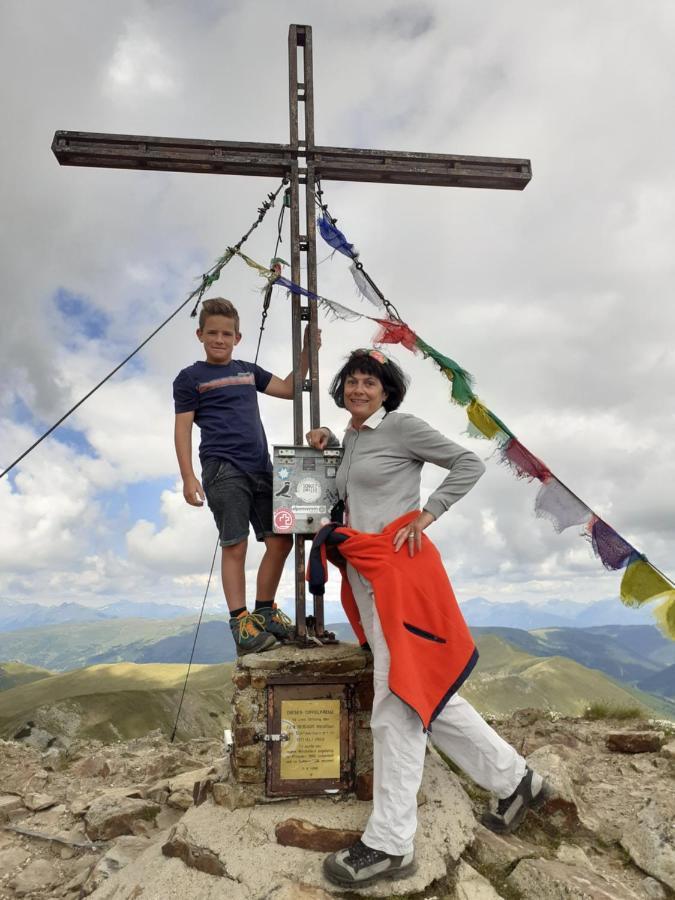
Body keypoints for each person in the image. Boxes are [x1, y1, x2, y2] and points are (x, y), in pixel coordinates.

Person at [306, 348, 549, 890]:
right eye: (352, 381)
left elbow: (470, 462)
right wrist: (324, 441)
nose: (359, 388)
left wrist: (427, 513)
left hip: (403, 576)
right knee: (428, 693)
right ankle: (518, 780)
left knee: (398, 703)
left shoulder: (402, 427)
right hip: (369, 580)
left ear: (387, 391)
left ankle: (390, 844)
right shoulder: (354, 439)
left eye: (370, 382)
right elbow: (349, 486)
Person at [173, 296, 317, 656]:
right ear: (200, 335)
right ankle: (241, 623)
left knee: (281, 541)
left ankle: (264, 611)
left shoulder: (248, 371)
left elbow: (289, 388)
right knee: (234, 544)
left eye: (226, 333)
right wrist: (188, 476)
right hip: (223, 467)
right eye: (212, 333)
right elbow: (183, 429)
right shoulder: (190, 378)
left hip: (261, 468)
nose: (219, 339)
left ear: (238, 337)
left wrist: (306, 348)